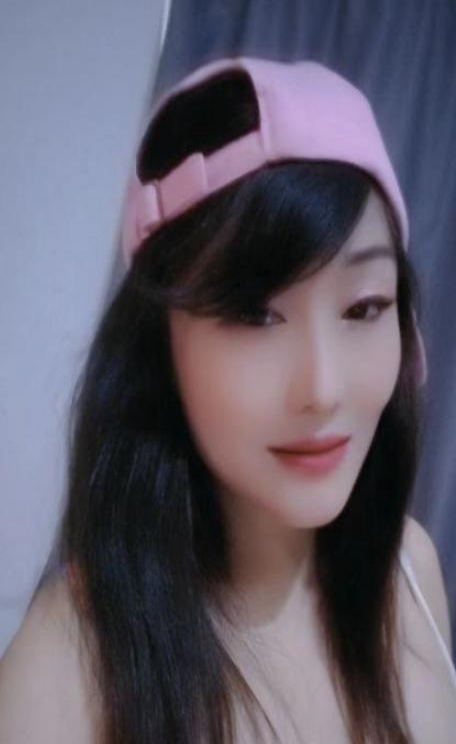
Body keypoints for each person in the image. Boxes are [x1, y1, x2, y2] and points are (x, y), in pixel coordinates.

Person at [0, 56, 455, 744]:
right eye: (254, 315)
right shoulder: (61, 675)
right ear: (160, 345)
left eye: (364, 307)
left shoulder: (410, 570)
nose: (323, 388)